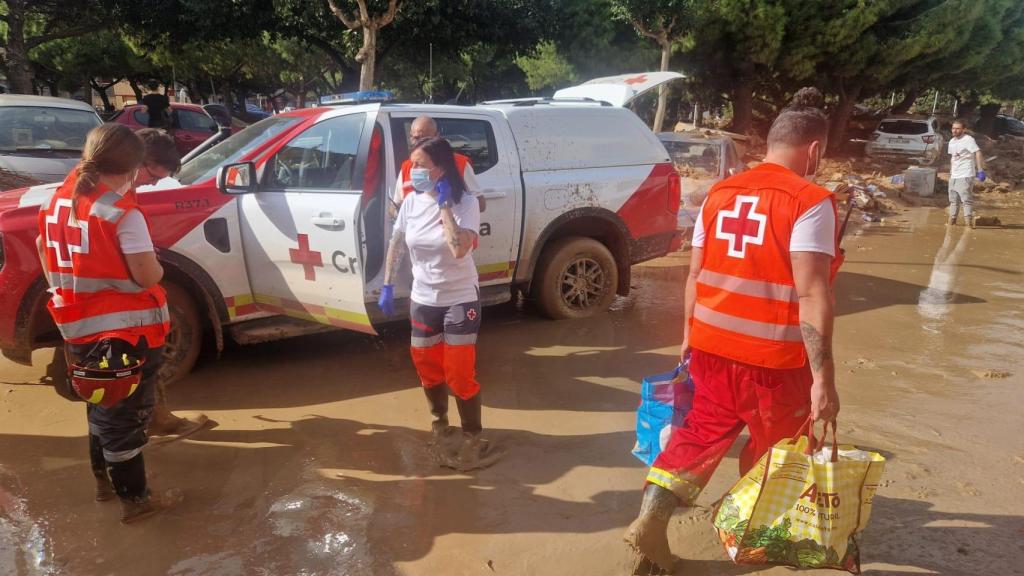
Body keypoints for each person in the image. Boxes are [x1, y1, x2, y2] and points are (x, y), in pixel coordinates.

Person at [623, 88, 842, 574]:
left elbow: (696, 276)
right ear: (814, 150)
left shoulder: (719, 194)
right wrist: (824, 379)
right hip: (774, 364)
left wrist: (688, 337)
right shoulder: (810, 201)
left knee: (695, 436)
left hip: (709, 348)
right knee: (779, 450)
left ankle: (650, 519)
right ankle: (750, 537)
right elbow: (812, 295)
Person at [37, 124, 177, 523]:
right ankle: (136, 502)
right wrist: (156, 265)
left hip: (77, 328)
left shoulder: (57, 201)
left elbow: (42, 252)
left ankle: (104, 485)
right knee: (125, 418)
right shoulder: (121, 214)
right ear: (134, 166)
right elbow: (148, 276)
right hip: (126, 333)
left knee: (100, 404)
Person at [379, 137, 498, 471]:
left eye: (419, 166)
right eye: (411, 165)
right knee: (427, 367)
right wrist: (387, 284)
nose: (413, 172)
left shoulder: (466, 203)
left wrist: (444, 206)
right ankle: (440, 427)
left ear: (441, 169)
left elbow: (459, 249)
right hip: (424, 298)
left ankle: (473, 436)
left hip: (459, 297)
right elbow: (397, 243)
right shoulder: (410, 204)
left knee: (459, 374)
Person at [131, 129, 211, 438]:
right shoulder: (118, 207)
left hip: (87, 312)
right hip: (122, 309)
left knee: (110, 392)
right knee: (136, 369)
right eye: (152, 176)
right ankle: (147, 435)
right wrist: (151, 266)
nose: (153, 184)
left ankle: (154, 421)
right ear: (136, 160)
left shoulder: (72, 194)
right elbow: (148, 274)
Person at [390, 116, 486, 218]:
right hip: (417, 230)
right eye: (416, 138)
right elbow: (394, 206)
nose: (421, 143)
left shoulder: (459, 163)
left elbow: (480, 204)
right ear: (411, 137)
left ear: (437, 137)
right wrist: (402, 213)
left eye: (426, 139)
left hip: (448, 229)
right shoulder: (407, 166)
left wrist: (448, 204)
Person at [947, 120, 987, 228]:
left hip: (966, 174)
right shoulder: (952, 141)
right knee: (953, 201)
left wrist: (980, 170)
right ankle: (951, 222)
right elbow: (953, 157)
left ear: (964, 129)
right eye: (953, 128)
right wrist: (951, 172)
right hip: (954, 175)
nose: (954, 130)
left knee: (966, 201)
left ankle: (968, 225)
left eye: (957, 128)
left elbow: (977, 152)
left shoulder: (968, 140)